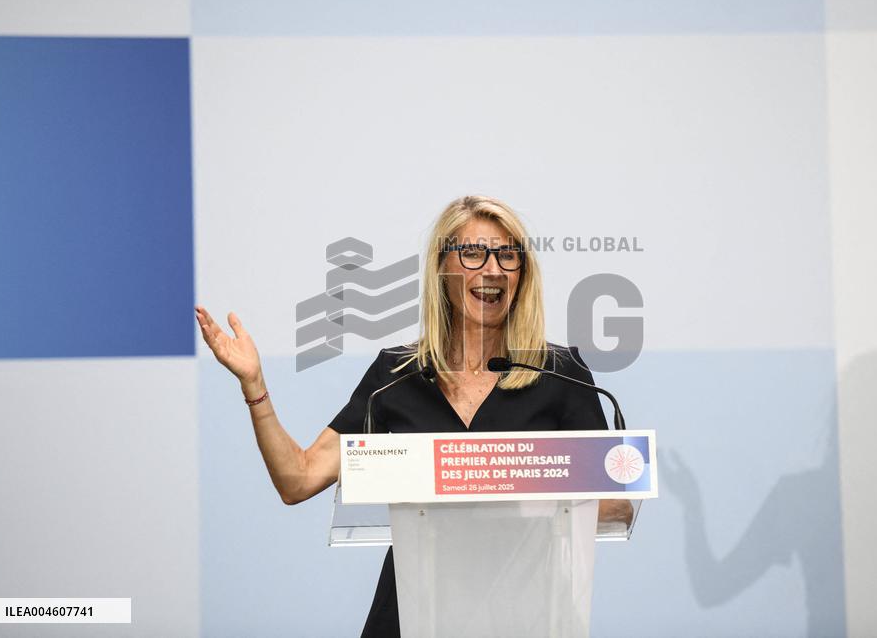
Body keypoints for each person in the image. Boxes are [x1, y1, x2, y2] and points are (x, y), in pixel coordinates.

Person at [195, 195, 632, 637]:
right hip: (410, 612)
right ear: (443, 271)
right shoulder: (397, 374)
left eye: (507, 255)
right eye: (474, 253)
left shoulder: (560, 373)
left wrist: (508, 487)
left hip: (524, 609)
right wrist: (254, 385)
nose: (494, 270)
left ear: (522, 275)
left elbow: (617, 504)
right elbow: (298, 479)